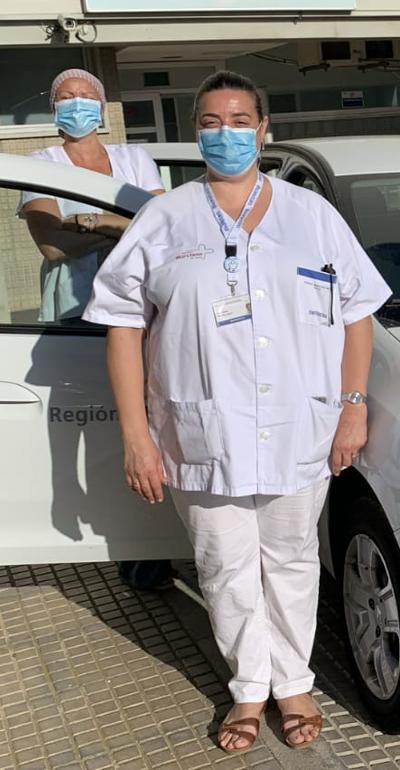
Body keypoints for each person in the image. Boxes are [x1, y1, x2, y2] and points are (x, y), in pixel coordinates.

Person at [83, 70, 391, 752]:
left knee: (291, 559)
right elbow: (123, 327)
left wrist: (353, 408)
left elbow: (358, 314)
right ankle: (249, 689)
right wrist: (136, 435)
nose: (226, 133)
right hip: (199, 430)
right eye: (211, 121)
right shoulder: (164, 219)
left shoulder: (310, 215)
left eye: (239, 119)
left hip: (300, 426)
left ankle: (296, 684)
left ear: (264, 129)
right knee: (223, 565)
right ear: (196, 132)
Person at [16, 68, 175, 592]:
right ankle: (121, 539)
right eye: (66, 98)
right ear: (53, 107)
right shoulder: (40, 164)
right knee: (101, 432)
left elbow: (161, 225)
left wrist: (91, 223)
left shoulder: (134, 158)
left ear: (104, 107)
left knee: (149, 428)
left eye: (87, 97)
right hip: (77, 320)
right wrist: (119, 226)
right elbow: (51, 244)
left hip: (141, 312)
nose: (77, 105)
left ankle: (158, 540)